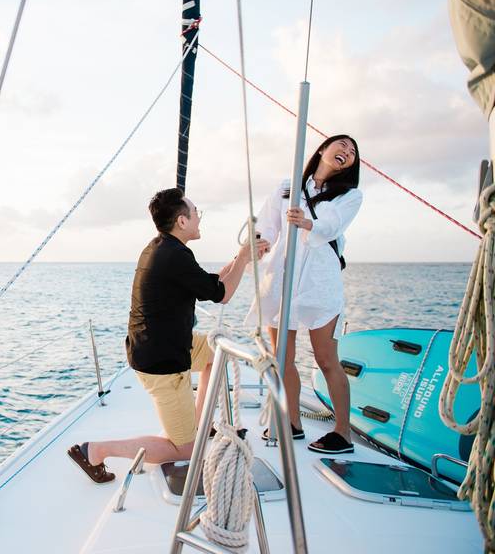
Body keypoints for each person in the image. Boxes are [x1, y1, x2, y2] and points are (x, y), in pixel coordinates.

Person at [67, 188, 268, 483]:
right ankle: (94, 451)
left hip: (171, 345)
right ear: (182, 221)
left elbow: (212, 285)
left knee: (217, 356)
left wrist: (242, 259)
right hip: (162, 362)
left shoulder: (164, 248)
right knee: (184, 449)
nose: (199, 217)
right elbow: (223, 295)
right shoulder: (173, 255)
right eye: (196, 212)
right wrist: (242, 257)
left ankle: (198, 425)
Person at [248, 134, 362, 454]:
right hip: (283, 276)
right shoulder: (287, 187)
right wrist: (261, 242)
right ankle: (292, 423)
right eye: (342, 145)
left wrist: (307, 221)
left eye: (352, 152)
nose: (347, 152)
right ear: (323, 149)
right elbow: (268, 225)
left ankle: (342, 433)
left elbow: (331, 225)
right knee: (282, 355)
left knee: (326, 358)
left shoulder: (350, 195)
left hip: (318, 281)